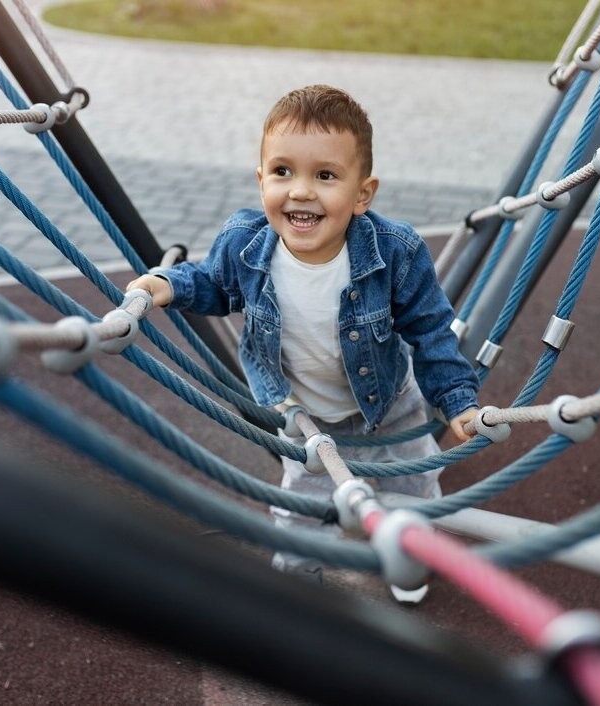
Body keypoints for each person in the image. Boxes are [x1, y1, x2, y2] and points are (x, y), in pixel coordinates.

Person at [126, 84, 480, 604]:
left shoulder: (396, 251)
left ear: (363, 194)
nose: (301, 191)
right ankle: (299, 588)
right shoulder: (246, 242)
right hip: (304, 416)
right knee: (300, 511)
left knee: (412, 493)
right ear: (260, 179)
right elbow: (214, 285)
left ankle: (407, 560)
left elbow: (430, 331)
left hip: (390, 405)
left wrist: (458, 402)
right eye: (283, 172)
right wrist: (169, 284)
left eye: (326, 176)